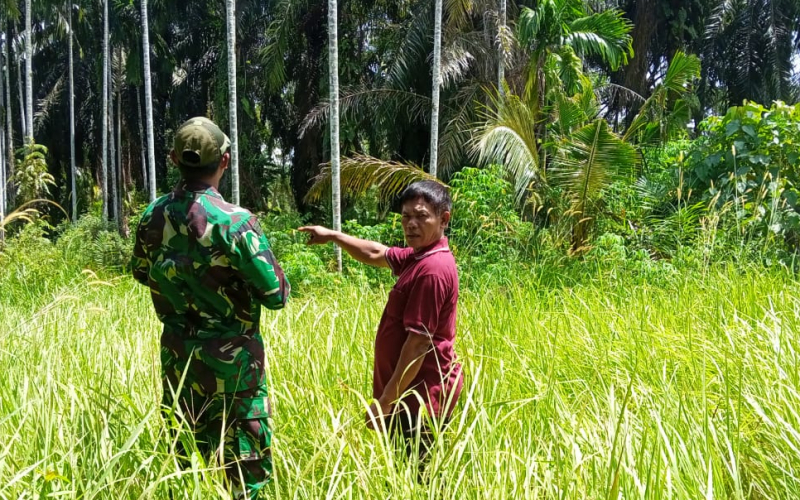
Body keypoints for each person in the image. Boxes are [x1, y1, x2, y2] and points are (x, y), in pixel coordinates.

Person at [130, 117, 290, 499]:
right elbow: (276, 294)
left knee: (188, 472)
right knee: (245, 476)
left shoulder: (151, 216)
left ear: (172, 158)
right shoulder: (236, 223)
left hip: (179, 362)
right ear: (226, 160)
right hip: (235, 369)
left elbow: (140, 272)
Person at [299, 180, 463, 463]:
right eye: (406, 216)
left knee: (416, 481)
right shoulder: (419, 256)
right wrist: (333, 236)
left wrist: (384, 403)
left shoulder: (432, 271)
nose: (411, 224)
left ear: (443, 219)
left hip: (418, 400)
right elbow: (377, 253)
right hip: (407, 396)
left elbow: (418, 345)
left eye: (421, 216)